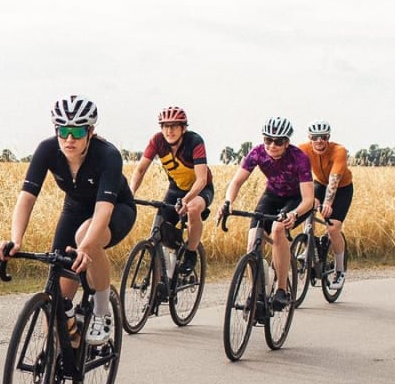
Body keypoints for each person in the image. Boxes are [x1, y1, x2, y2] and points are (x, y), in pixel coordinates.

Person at [0, 95, 137, 346]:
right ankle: (53, 362)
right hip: (74, 208)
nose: (69, 138)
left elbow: (103, 212)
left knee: (86, 236)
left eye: (77, 131)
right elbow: (26, 198)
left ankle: (101, 310)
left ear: (90, 132)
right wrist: (15, 240)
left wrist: (84, 249)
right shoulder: (47, 149)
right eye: (63, 130)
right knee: (56, 300)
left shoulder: (108, 155)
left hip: (116, 209)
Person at [219, 117, 316, 310]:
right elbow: (236, 182)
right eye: (268, 140)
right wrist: (228, 201)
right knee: (252, 241)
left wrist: (294, 215)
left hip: (296, 199)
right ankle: (257, 292)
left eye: (278, 141)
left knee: (278, 229)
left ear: (287, 142)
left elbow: (308, 200)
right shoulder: (257, 153)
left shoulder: (299, 158)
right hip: (271, 195)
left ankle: (281, 290)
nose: (272, 145)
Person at [127, 105, 213, 276]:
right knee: (159, 229)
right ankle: (164, 276)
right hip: (176, 189)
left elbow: (202, 179)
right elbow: (140, 170)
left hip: (200, 189)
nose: (169, 130)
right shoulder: (157, 141)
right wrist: (129, 194)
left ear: (183, 128)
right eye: (165, 126)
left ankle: (190, 253)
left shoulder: (194, 141)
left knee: (193, 208)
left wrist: (187, 200)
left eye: (174, 126)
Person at [302, 119, 353, 291]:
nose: (319, 141)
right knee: (307, 206)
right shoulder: (303, 149)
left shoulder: (339, 151)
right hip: (319, 184)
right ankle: (307, 246)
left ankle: (339, 270)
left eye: (323, 137)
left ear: (328, 137)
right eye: (315, 137)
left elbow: (334, 181)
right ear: (309, 137)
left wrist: (328, 204)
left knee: (332, 228)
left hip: (342, 188)